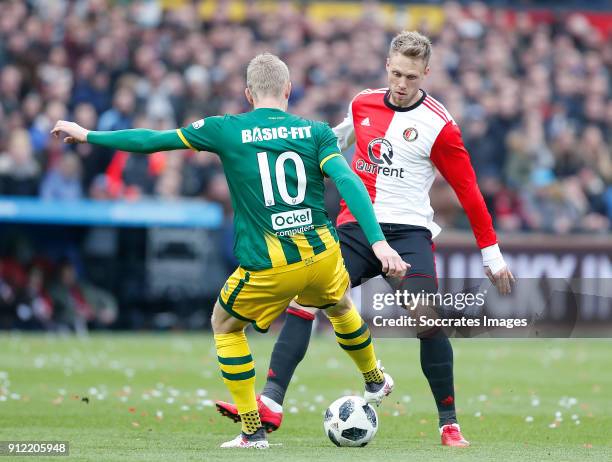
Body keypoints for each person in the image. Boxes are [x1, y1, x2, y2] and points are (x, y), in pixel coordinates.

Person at [51, 53, 408, 449]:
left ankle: (252, 430)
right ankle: (374, 376)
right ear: (288, 90)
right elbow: (349, 181)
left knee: (224, 324)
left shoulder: (226, 128)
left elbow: (154, 141)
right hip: (324, 254)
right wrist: (377, 241)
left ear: (248, 93)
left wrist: (89, 135)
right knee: (339, 304)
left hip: (271, 263)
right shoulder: (316, 131)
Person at [215, 31, 515, 447]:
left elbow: (469, 191)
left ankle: (449, 424)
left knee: (426, 320)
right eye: (396, 73)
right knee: (305, 301)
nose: (402, 83)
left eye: (411, 76)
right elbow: (337, 140)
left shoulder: (440, 125)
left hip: (409, 234)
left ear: (426, 73)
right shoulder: (363, 103)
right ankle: (271, 402)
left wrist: (492, 254)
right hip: (357, 229)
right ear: (386, 66)